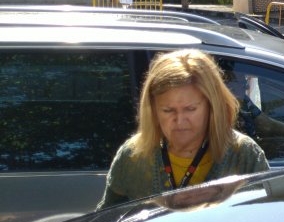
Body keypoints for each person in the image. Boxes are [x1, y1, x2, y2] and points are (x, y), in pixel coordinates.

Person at [97, 50, 269, 209]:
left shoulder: (244, 155)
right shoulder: (133, 157)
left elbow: (267, 220)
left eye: (190, 109)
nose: (179, 120)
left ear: (212, 106)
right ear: (153, 110)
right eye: (168, 110)